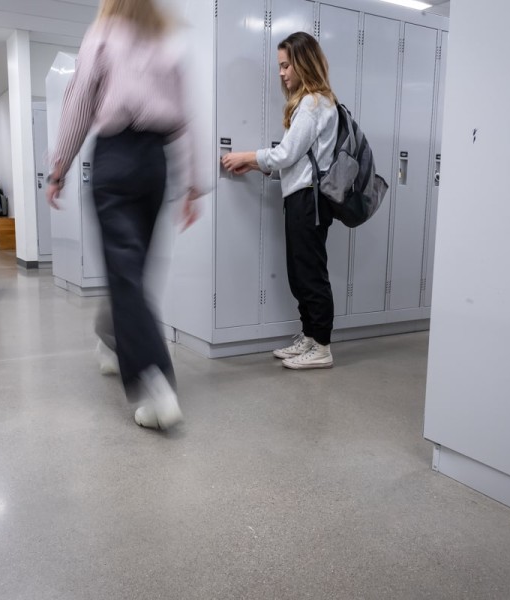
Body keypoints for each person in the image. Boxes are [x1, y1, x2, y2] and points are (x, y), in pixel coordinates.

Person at [47, 0, 202, 430]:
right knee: (133, 268)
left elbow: (78, 101)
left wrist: (58, 166)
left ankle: (155, 381)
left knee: (125, 270)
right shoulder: (166, 42)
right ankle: (112, 335)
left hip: (116, 156)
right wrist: (192, 184)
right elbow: (186, 119)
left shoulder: (102, 34)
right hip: (156, 163)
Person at [222, 31, 337, 370]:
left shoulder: (315, 103)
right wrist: (259, 167)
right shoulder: (309, 103)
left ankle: (323, 346)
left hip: (310, 200)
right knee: (298, 271)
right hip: (300, 197)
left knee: (310, 273)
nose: (283, 73)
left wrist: (247, 155)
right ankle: (310, 336)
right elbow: (298, 159)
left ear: (303, 63)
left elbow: (286, 154)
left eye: (286, 65)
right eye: (280, 67)